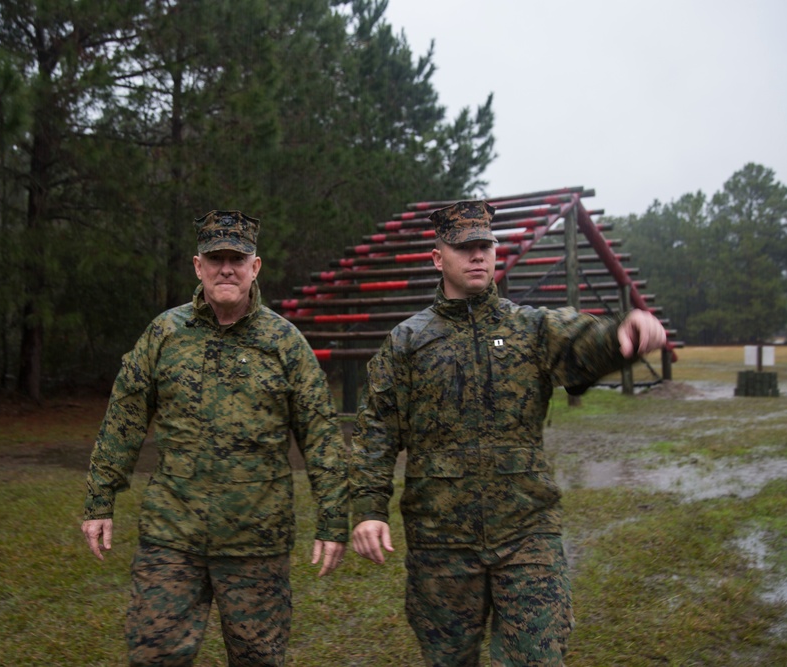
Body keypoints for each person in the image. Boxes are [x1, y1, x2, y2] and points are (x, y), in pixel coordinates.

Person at [349, 200, 667, 666]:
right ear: (438, 258)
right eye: (464, 248)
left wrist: (624, 331)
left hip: (526, 530)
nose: (477, 256)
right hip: (441, 539)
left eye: (485, 246)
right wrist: (368, 509)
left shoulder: (529, 328)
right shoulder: (408, 341)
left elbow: (584, 341)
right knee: (448, 658)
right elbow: (376, 426)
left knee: (536, 657)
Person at [81, 210, 349, 667]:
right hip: (172, 535)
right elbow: (124, 417)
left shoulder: (284, 343)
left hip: (256, 543)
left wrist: (333, 519)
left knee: (258, 659)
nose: (227, 268)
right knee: (154, 656)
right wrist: (99, 500)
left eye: (237, 258)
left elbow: (321, 434)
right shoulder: (165, 333)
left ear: (255, 267)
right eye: (215, 257)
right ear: (197, 265)